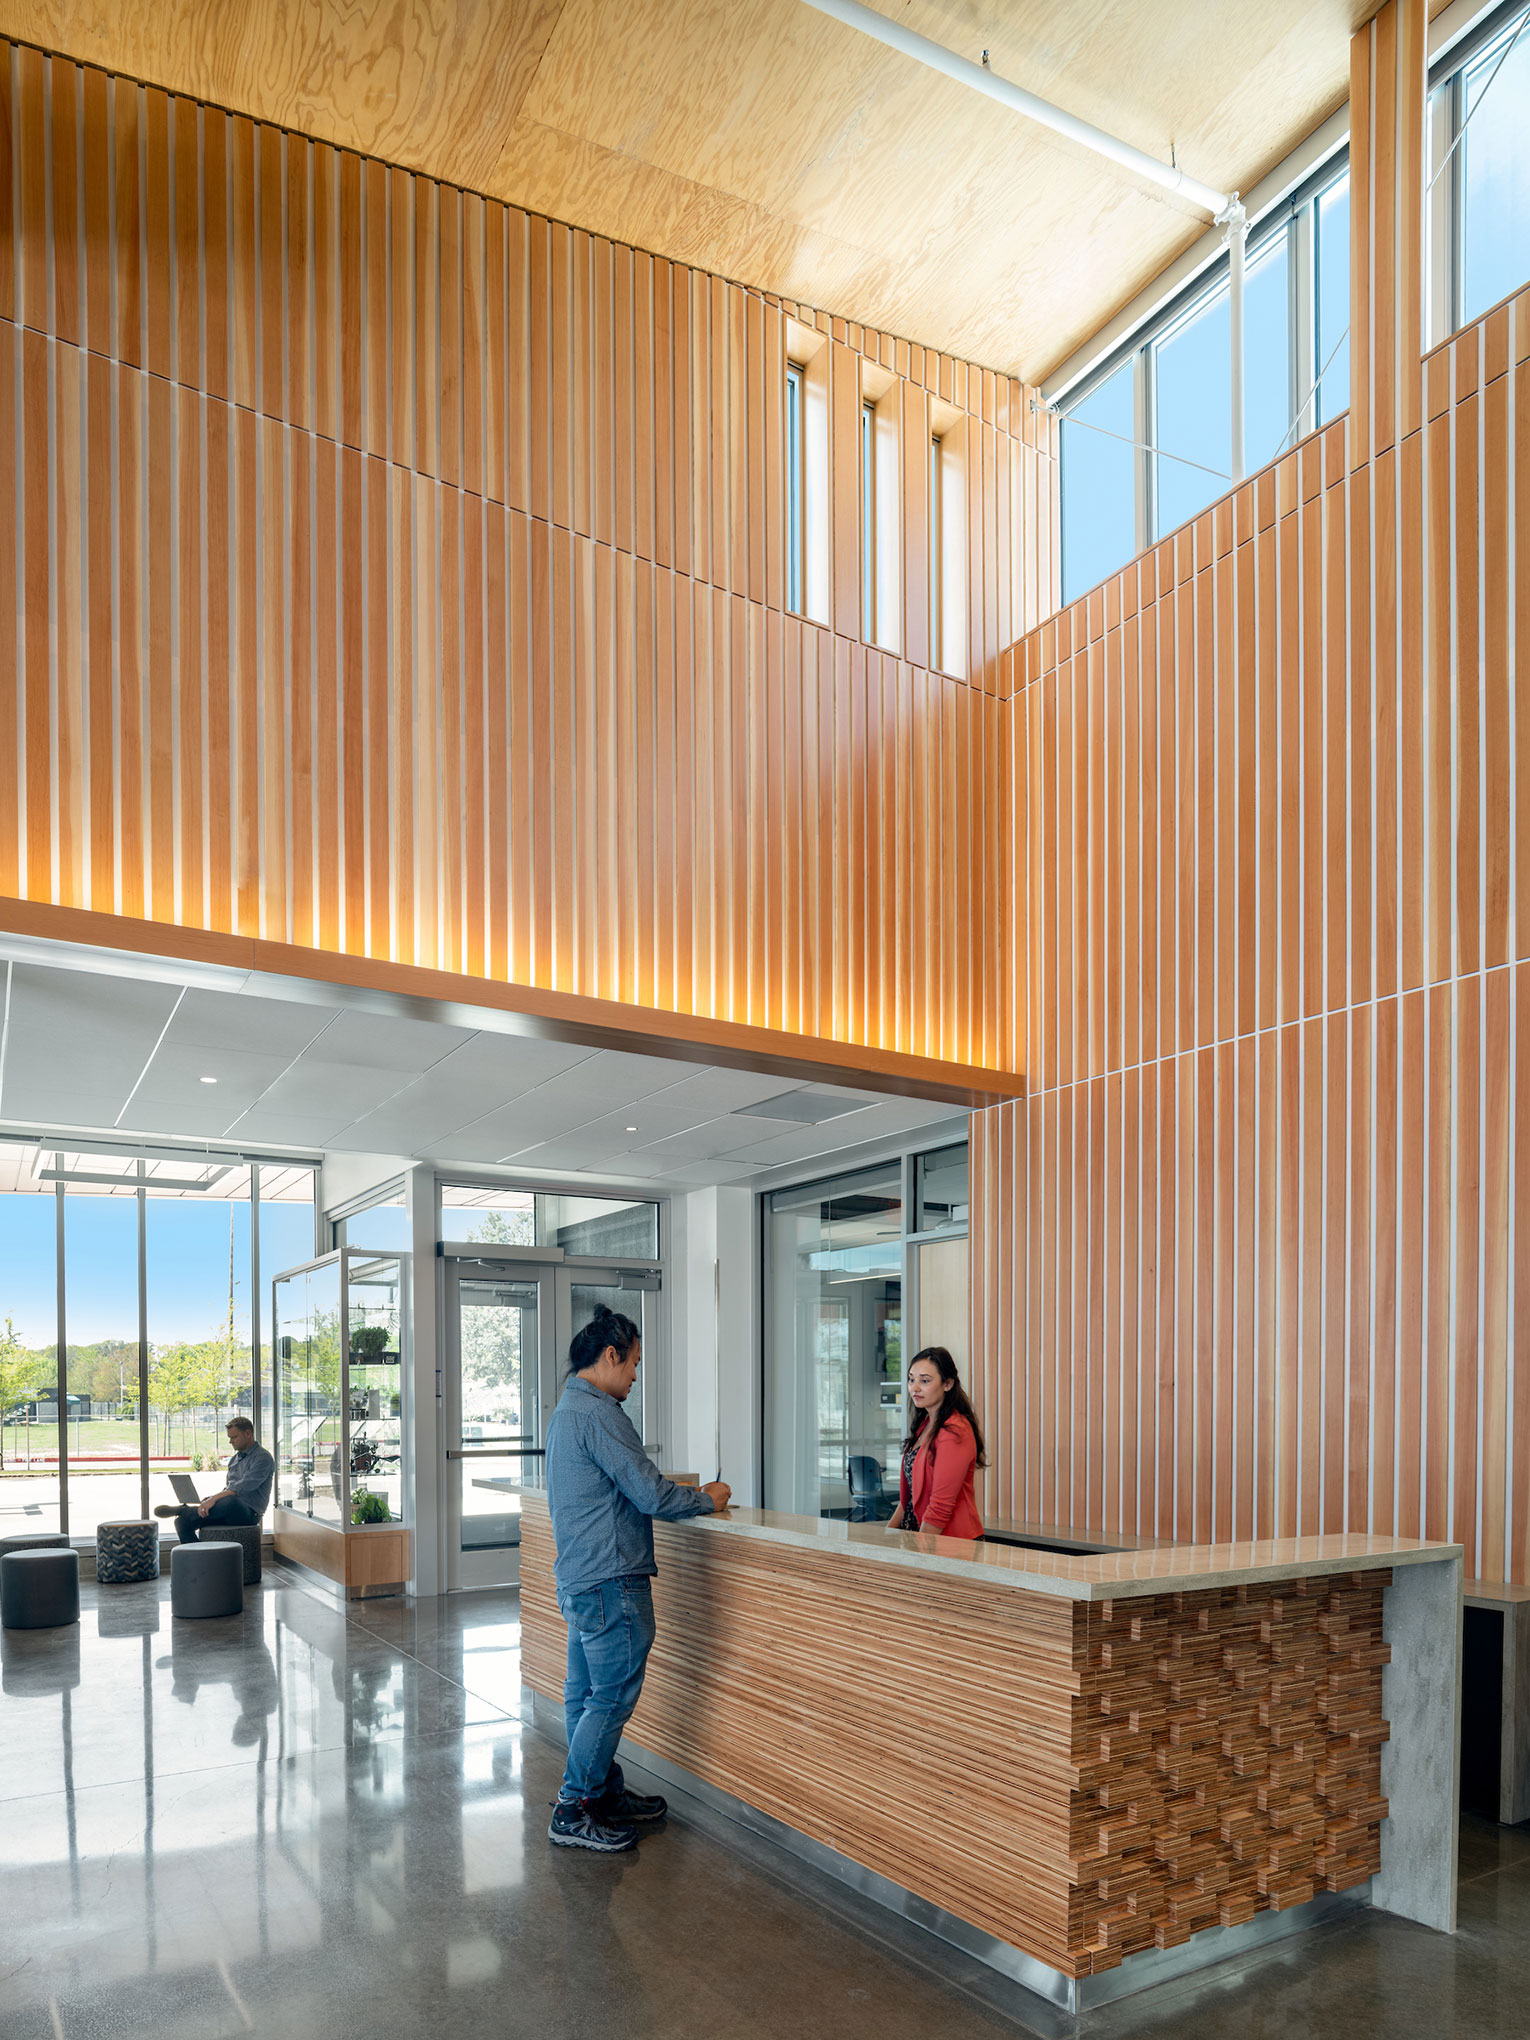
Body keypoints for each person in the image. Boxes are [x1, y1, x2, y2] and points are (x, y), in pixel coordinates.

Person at [544, 1305, 730, 1854]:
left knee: (585, 1697)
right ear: (609, 1356)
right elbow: (649, 1494)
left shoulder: (567, 1410)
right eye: (633, 1365)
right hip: (611, 1580)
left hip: (581, 1578)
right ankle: (574, 1807)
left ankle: (598, 1795)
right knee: (610, 1699)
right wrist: (707, 1499)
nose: (633, 1377)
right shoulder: (600, 1413)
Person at [887, 1346, 986, 1539]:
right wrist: (885, 1538)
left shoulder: (955, 1431)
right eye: (911, 1379)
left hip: (948, 1543)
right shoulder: (925, 1424)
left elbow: (940, 1507)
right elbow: (906, 1501)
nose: (915, 1388)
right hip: (916, 1539)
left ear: (947, 1384)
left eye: (924, 1381)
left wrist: (923, 1553)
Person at [154, 1416, 274, 1543]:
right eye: (229, 1438)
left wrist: (215, 1499)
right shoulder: (234, 1460)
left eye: (234, 1437)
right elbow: (228, 1488)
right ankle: (199, 1559)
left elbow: (243, 1486)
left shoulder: (263, 1457)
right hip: (228, 1509)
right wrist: (211, 1499)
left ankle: (182, 1510)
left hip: (249, 1513)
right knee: (181, 1522)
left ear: (248, 1434)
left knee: (231, 1502)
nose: (231, 1442)